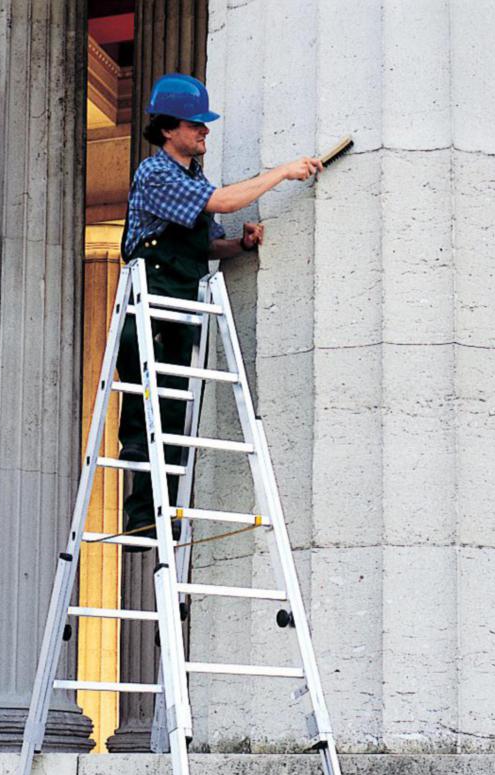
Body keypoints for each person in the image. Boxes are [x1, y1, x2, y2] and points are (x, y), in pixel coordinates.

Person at [117, 72, 325, 540]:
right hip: (151, 295)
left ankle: (158, 517)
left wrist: (240, 246)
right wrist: (281, 173)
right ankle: (144, 515)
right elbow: (224, 202)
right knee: (148, 413)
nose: (204, 130)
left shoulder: (193, 177)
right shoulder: (155, 173)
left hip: (181, 297)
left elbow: (207, 243)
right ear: (168, 128)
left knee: (174, 412)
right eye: (195, 124)